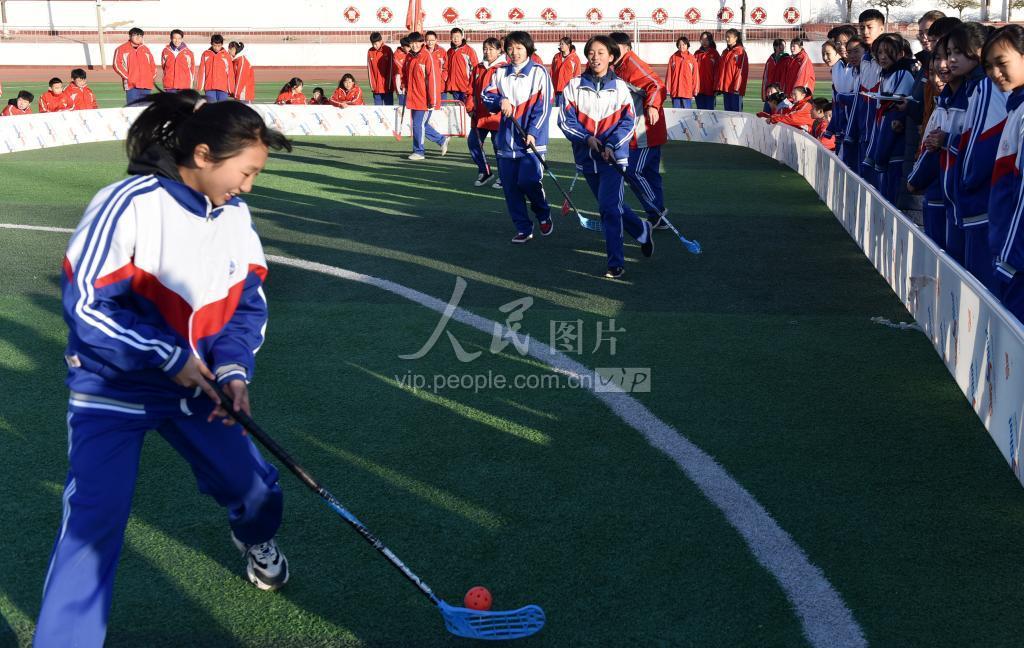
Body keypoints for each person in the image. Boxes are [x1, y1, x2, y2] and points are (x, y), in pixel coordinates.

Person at [32, 90, 293, 648]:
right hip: (112, 387)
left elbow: (246, 305)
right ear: (203, 155)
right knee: (93, 522)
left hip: (200, 390)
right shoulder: (127, 203)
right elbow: (85, 306)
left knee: (256, 493)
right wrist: (168, 355)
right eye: (246, 172)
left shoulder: (236, 215)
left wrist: (233, 370)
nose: (248, 187)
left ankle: (254, 537)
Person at [558, 34, 653, 279]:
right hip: (587, 159)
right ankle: (642, 230)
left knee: (609, 208)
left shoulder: (620, 87)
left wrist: (612, 144)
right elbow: (565, 121)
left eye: (601, 53)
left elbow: (628, 123)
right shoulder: (573, 86)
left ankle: (615, 263)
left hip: (614, 160)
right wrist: (586, 138)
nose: (595, 57)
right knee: (613, 205)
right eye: (591, 53)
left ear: (611, 57)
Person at [948, 22, 1006, 291]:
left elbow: (977, 146)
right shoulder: (975, 85)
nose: (951, 59)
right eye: (949, 52)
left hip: (983, 200)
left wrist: (964, 184)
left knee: (980, 283)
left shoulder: (984, 86)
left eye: (959, 52)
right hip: (990, 197)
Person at [482, 30, 554, 243]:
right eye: (510, 48)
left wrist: (533, 132)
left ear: (528, 49)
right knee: (511, 188)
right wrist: (500, 101)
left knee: (529, 181)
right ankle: (523, 228)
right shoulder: (500, 72)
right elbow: (486, 95)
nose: (514, 52)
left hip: (532, 142)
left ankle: (543, 212)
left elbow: (544, 107)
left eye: (519, 47)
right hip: (506, 142)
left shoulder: (539, 73)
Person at [610, 31, 669, 227]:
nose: (611, 51)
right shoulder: (618, 66)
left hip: (644, 131)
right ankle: (657, 216)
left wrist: (652, 106)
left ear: (627, 48)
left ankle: (656, 211)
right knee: (650, 174)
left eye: (615, 48)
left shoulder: (631, 64)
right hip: (642, 130)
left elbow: (657, 85)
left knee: (632, 171)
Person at [985, 24, 1024, 317]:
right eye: (989, 66)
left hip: (1017, 260)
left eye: (1002, 63)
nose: (995, 73)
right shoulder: (1015, 107)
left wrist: (1010, 258)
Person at [863, 34, 916, 202]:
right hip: (885, 138)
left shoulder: (903, 74)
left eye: (888, 52)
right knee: (884, 191)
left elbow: (895, 111)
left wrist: (880, 153)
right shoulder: (886, 74)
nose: (883, 57)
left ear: (900, 54)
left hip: (895, 144)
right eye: (879, 52)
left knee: (891, 193)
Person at [908, 48, 952, 249]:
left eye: (942, 72)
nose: (937, 79)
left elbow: (931, 149)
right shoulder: (940, 103)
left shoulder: (952, 107)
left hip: (942, 192)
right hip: (936, 191)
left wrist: (914, 179)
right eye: (932, 73)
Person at [465, 37, 505, 186]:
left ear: (499, 50)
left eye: (491, 49)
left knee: (499, 147)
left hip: (497, 116)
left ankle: (504, 176)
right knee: (473, 142)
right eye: (485, 49)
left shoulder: (504, 68)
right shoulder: (478, 67)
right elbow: (470, 89)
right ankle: (485, 171)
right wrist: (470, 106)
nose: (487, 52)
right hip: (479, 115)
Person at [403, 32, 449, 160]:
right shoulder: (409, 57)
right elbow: (405, 74)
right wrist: (404, 85)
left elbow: (433, 79)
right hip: (413, 97)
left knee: (418, 125)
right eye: (411, 43)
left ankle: (419, 151)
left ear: (421, 43)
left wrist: (432, 100)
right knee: (419, 124)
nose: (414, 45)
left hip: (425, 99)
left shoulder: (427, 56)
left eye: (417, 43)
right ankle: (441, 139)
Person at [856, 9, 885, 178]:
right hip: (864, 131)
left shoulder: (889, 58)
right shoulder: (865, 57)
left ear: (881, 28)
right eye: (862, 28)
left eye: (869, 27)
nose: (865, 32)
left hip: (881, 133)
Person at [838, 36, 865, 170]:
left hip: (863, 130)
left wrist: (843, 97)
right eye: (849, 52)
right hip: (851, 127)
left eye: (856, 51)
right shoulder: (854, 70)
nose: (852, 55)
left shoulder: (869, 71)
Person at [113, 27, 157, 105]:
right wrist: (128, 78)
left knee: (145, 109)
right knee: (132, 108)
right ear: (130, 36)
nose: (138, 37)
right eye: (135, 35)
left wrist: (151, 77)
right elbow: (116, 65)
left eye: (140, 36)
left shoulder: (146, 49)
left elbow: (152, 65)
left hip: (146, 85)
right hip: (131, 86)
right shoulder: (121, 49)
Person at [715, 28, 748, 112]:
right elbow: (721, 70)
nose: (727, 39)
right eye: (726, 37)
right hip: (726, 88)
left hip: (735, 89)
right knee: (727, 113)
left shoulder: (740, 52)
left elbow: (741, 71)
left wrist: (737, 87)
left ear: (736, 38)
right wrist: (719, 86)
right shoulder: (725, 52)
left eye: (729, 37)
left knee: (736, 114)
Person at [198, 34, 234, 103]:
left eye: (219, 46)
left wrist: (231, 88)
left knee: (222, 107)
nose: (216, 48)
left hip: (223, 88)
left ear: (222, 44)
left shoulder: (226, 55)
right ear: (211, 44)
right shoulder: (205, 54)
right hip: (209, 87)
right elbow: (202, 71)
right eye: (214, 45)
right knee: (211, 106)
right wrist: (200, 86)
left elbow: (230, 73)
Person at [446, 27, 478, 101]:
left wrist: (473, 83)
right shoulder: (449, 52)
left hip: (466, 86)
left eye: (457, 36)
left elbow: (475, 68)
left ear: (462, 37)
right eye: (453, 37)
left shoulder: (469, 50)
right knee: (458, 106)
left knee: (467, 106)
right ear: (451, 38)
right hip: (454, 87)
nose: (456, 39)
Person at [666, 36, 699, 108]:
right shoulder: (673, 58)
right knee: (676, 113)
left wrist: (695, 89)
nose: (681, 46)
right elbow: (669, 75)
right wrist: (668, 89)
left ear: (687, 45)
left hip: (687, 92)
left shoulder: (692, 58)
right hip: (675, 92)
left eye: (683, 44)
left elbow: (695, 76)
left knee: (687, 113)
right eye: (679, 44)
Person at [551, 36, 582, 105]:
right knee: (558, 108)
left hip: (568, 89)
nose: (560, 45)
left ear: (568, 45)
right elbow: (552, 71)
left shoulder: (575, 58)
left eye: (562, 44)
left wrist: (575, 89)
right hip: (557, 88)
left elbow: (577, 75)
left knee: (567, 109)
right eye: (560, 44)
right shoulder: (556, 57)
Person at [762, 39, 790, 112]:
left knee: (778, 114)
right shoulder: (770, 60)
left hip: (780, 93)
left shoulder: (787, 59)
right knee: (766, 114)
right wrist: (764, 93)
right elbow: (765, 77)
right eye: (780, 45)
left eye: (784, 46)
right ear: (775, 47)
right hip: (770, 92)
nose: (782, 48)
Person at [367, 32, 394, 105]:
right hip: (376, 87)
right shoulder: (370, 52)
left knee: (388, 108)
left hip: (387, 87)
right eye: (373, 44)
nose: (374, 46)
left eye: (376, 44)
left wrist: (389, 84)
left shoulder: (388, 50)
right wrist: (372, 85)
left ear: (381, 41)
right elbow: (370, 69)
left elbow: (391, 68)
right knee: (378, 108)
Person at [694, 31, 719, 109]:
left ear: (710, 40)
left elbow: (718, 72)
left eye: (706, 40)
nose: (704, 42)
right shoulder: (697, 53)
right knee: (700, 112)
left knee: (710, 112)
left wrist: (716, 87)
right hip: (699, 88)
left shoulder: (714, 54)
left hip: (710, 89)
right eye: (702, 39)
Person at [393, 37, 411, 107]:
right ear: (402, 47)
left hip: (410, 83)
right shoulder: (396, 55)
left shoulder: (411, 53)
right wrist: (403, 85)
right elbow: (401, 71)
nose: (410, 48)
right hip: (401, 84)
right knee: (403, 104)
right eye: (408, 47)